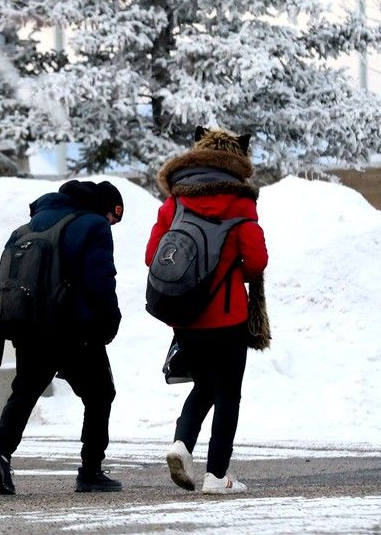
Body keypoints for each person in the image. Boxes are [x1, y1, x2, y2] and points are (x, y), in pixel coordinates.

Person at [0, 180, 125, 496]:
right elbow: (101, 280)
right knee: (101, 394)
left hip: (29, 326)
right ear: (103, 207)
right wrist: (108, 323)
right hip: (74, 330)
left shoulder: (25, 229)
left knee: (24, 392)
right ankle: (90, 471)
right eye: (114, 216)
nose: (112, 223)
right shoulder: (93, 225)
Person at [146, 127, 269, 495]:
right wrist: (232, 270)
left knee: (204, 385)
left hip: (184, 315)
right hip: (227, 316)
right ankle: (217, 476)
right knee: (228, 392)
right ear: (238, 159)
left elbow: (153, 256)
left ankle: (181, 444)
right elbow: (257, 261)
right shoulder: (240, 201)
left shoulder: (176, 202)